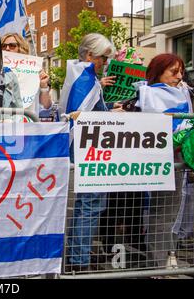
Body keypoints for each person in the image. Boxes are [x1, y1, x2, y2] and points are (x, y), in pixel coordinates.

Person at [59, 33, 116, 272]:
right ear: (91, 56)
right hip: (86, 150)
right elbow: (84, 116)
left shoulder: (81, 76)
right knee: (90, 204)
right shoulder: (85, 79)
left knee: (87, 205)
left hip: (84, 149)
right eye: (104, 58)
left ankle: (77, 256)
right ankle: (79, 260)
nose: (106, 62)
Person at [134, 53, 194, 267]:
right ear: (159, 73)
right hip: (159, 161)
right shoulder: (147, 95)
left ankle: (166, 258)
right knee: (162, 213)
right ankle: (159, 263)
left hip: (176, 159)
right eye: (173, 72)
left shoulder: (182, 93)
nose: (179, 77)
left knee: (170, 213)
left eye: (181, 72)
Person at [1, 33, 54, 117]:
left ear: (20, 48)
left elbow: (46, 106)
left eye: (12, 45)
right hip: (3, 123)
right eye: (3, 46)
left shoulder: (34, 70)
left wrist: (44, 86)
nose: (7, 48)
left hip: (28, 124)